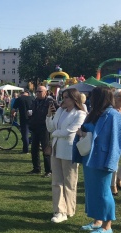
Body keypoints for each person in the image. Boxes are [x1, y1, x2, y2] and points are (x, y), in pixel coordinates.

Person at [73, 87, 121, 233]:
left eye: (93, 96)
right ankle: (97, 221)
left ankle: (108, 225)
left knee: (103, 192)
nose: (90, 98)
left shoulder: (114, 115)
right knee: (92, 192)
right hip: (89, 158)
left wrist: (112, 162)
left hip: (102, 159)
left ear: (101, 97)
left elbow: (116, 141)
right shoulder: (94, 113)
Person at [45, 88, 86, 223]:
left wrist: (55, 133)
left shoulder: (80, 113)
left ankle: (69, 209)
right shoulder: (61, 111)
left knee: (69, 182)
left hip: (69, 150)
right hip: (56, 149)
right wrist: (48, 116)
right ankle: (59, 210)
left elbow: (70, 131)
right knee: (56, 181)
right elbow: (51, 127)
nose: (64, 99)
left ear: (74, 99)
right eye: (63, 97)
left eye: (67, 97)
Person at [28, 86, 58, 177]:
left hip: (45, 128)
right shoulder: (35, 101)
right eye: (37, 91)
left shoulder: (50, 102)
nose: (37, 93)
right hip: (35, 127)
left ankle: (48, 170)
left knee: (46, 150)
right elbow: (31, 111)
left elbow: (58, 110)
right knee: (34, 149)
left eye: (40, 91)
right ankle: (36, 168)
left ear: (45, 92)